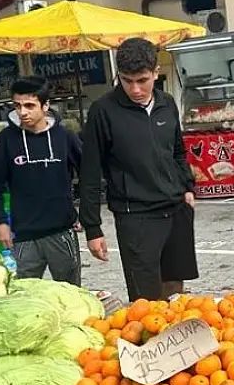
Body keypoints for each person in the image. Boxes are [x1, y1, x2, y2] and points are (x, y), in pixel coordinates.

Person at [79, 37, 197, 302]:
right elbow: (89, 172)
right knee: (146, 297)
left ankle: (177, 340)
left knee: (175, 288)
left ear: (156, 72)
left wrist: (187, 186)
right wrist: (92, 228)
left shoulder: (167, 103)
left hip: (175, 208)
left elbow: (177, 150)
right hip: (136, 217)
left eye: (142, 80)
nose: (135, 89)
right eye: (127, 80)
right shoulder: (103, 111)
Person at [0, 77, 83, 284]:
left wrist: (87, 216)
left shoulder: (65, 137)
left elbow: (89, 177)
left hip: (62, 232)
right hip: (24, 235)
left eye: (30, 106)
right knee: (25, 293)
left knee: (70, 293)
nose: (23, 112)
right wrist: (0, 222)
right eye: (18, 106)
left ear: (45, 105)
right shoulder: (6, 140)